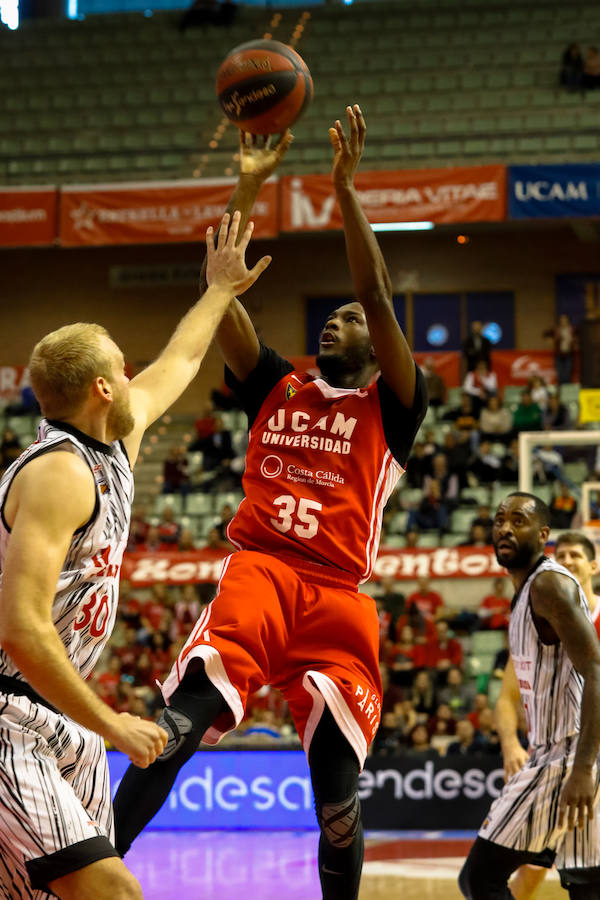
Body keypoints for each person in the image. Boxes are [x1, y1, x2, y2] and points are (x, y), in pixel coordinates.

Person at [112, 106, 427, 900]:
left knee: (337, 803)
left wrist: (344, 190)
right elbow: (221, 294)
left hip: (337, 602)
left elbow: (379, 294)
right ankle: (89, 873)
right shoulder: (276, 385)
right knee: (175, 733)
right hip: (260, 574)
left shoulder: (393, 406)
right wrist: (247, 186)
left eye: (348, 320)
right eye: (332, 315)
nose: (339, 320)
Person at [0, 210, 271, 898]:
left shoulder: (113, 445)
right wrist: (113, 721)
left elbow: (181, 359)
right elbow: (23, 629)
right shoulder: (57, 473)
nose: (134, 374)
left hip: (63, 723)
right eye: (124, 366)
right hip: (10, 717)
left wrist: (218, 291)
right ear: (101, 389)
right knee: (114, 891)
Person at [459, 493, 600, 900]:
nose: (504, 528)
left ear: (542, 535)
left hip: (567, 757)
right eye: (499, 520)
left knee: (480, 877)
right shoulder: (528, 593)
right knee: (586, 884)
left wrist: (582, 768)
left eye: (517, 521)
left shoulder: (550, 584)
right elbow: (507, 696)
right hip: (562, 754)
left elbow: (595, 671)